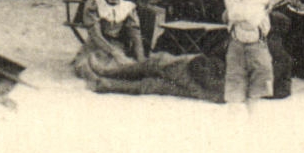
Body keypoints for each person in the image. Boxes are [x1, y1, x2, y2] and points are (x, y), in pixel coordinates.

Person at [222, 0, 278, 105]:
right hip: (236, 45)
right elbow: (236, 14)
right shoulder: (230, 0)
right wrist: (248, 12)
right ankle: (236, 113)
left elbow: (253, 21)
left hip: (257, 46)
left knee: (261, 77)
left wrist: (247, 13)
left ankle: (255, 113)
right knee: (235, 78)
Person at [81, 50, 226, 103]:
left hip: (212, 82)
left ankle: (107, 74)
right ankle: (105, 81)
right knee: (157, 84)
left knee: (159, 64)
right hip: (214, 89)